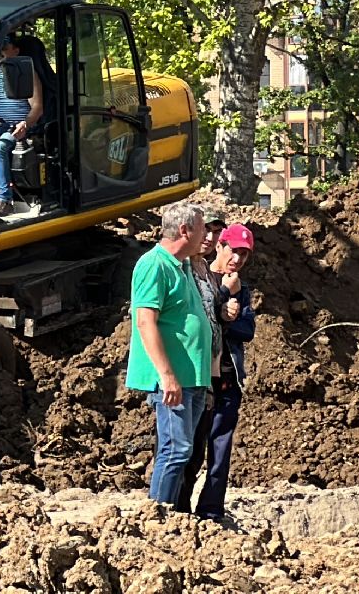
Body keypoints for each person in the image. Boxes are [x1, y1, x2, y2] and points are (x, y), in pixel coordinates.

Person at [126, 201, 213, 506]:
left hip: (193, 377)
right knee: (175, 450)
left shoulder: (184, 265)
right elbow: (145, 321)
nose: (208, 236)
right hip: (172, 379)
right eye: (202, 229)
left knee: (185, 452)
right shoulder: (155, 265)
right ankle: (157, 517)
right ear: (185, 230)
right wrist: (166, 376)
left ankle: (174, 515)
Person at [181, 222, 257, 522]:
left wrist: (230, 316)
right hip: (200, 377)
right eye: (233, 251)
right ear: (220, 246)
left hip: (228, 379)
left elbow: (246, 328)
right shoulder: (200, 278)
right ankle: (180, 507)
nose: (237, 259)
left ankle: (211, 509)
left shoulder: (242, 288)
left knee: (221, 450)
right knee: (192, 447)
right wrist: (223, 302)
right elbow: (200, 320)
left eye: (244, 254)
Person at [0, 34, 44, 217]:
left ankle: (5, 199)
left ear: (16, 51)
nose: (0, 52)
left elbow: (37, 107)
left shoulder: (26, 74)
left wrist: (24, 125)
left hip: (15, 128)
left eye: (4, 48)